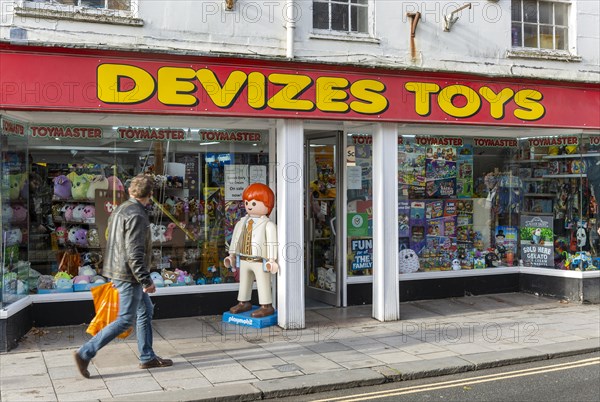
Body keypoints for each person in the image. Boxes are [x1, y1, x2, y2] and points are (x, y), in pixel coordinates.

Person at [74, 174, 172, 378]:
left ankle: (147, 356)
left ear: (130, 191)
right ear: (150, 195)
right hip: (128, 274)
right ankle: (85, 353)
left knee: (145, 310)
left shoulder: (121, 209)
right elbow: (134, 253)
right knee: (125, 320)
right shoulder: (137, 215)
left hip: (119, 269)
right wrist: (146, 280)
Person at [224, 183, 278, 318]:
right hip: (243, 258)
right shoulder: (242, 222)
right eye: (247, 202)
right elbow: (236, 239)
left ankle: (266, 305)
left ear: (267, 204)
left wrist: (272, 259)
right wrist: (232, 255)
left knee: (262, 282)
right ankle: (243, 302)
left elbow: (272, 242)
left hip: (259, 260)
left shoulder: (268, 225)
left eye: (253, 203)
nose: (249, 206)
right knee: (244, 282)